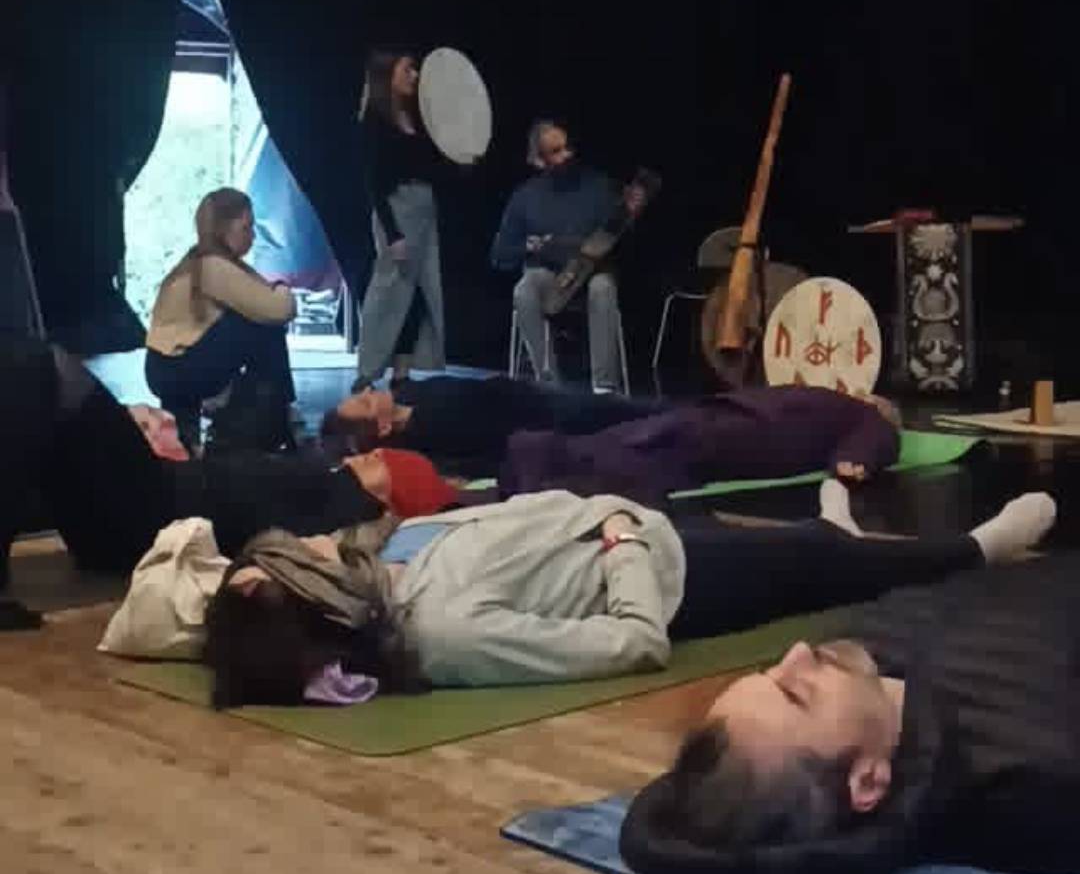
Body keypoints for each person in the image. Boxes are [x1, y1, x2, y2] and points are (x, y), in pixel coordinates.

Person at [203, 465, 1055, 704]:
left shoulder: (384, 579)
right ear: (316, 600)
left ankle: (841, 535)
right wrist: (618, 544)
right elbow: (634, 642)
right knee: (827, 565)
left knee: (812, 544)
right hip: (667, 577)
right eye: (298, 557)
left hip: (629, 527)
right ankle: (973, 549)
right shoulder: (444, 634)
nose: (311, 540)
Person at [618, 517, 1080, 874]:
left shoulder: (865, 661)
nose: (799, 652)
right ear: (868, 781)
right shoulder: (1031, 781)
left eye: (770, 671)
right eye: (797, 694)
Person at [0, 333, 388, 630]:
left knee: (39, 365)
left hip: (150, 511)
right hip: (137, 503)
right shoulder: (317, 475)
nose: (378, 456)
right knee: (33, 367)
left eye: (388, 463)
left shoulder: (334, 508)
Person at [498, 386, 904, 504]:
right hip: (740, 433)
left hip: (732, 421)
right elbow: (873, 439)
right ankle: (537, 461)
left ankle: (536, 460)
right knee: (633, 458)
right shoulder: (854, 411)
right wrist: (855, 458)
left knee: (628, 446)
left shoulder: (860, 413)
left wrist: (857, 457)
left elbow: (877, 436)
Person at [491, 120, 645, 393]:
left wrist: (630, 215)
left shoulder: (598, 185)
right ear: (539, 160)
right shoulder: (525, 196)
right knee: (524, 290)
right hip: (548, 275)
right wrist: (529, 246)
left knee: (603, 287)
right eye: (556, 151)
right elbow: (500, 254)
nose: (567, 155)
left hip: (592, 271)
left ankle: (604, 387)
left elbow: (621, 240)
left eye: (567, 147)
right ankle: (549, 385)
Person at [145, 187, 297, 453]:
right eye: (246, 228)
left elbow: (260, 294)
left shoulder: (198, 260)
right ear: (223, 229)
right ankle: (275, 419)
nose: (253, 236)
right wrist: (283, 286)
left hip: (165, 368)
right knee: (264, 328)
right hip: (179, 371)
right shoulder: (214, 267)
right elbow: (281, 308)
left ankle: (202, 435)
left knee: (252, 319)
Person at [321, 376, 666, 474]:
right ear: (383, 428)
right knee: (629, 417)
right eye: (365, 402)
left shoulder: (408, 393)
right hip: (547, 415)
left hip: (534, 394)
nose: (368, 392)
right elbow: (496, 442)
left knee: (623, 408)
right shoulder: (433, 428)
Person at [355, 46, 446, 389]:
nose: (415, 75)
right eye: (407, 69)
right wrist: (392, 233)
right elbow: (374, 184)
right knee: (389, 290)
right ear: (388, 74)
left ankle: (402, 372)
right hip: (398, 210)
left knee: (419, 292)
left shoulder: (414, 118)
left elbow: (429, 167)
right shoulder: (375, 122)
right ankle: (367, 371)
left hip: (423, 210)